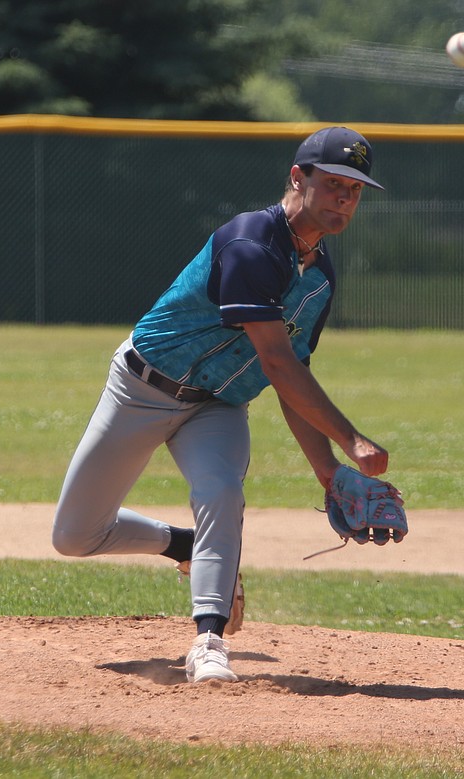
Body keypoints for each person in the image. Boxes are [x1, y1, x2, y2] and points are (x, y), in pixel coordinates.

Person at [52, 126, 390, 683]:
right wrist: (352, 440)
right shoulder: (251, 244)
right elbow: (277, 362)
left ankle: (208, 641)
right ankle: (182, 544)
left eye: (354, 191)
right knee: (75, 537)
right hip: (142, 388)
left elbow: (290, 378)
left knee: (221, 491)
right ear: (297, 177)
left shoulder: (320, 277)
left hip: (218, 406)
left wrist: (328, 471)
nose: (344, 200)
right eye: (332, 185)